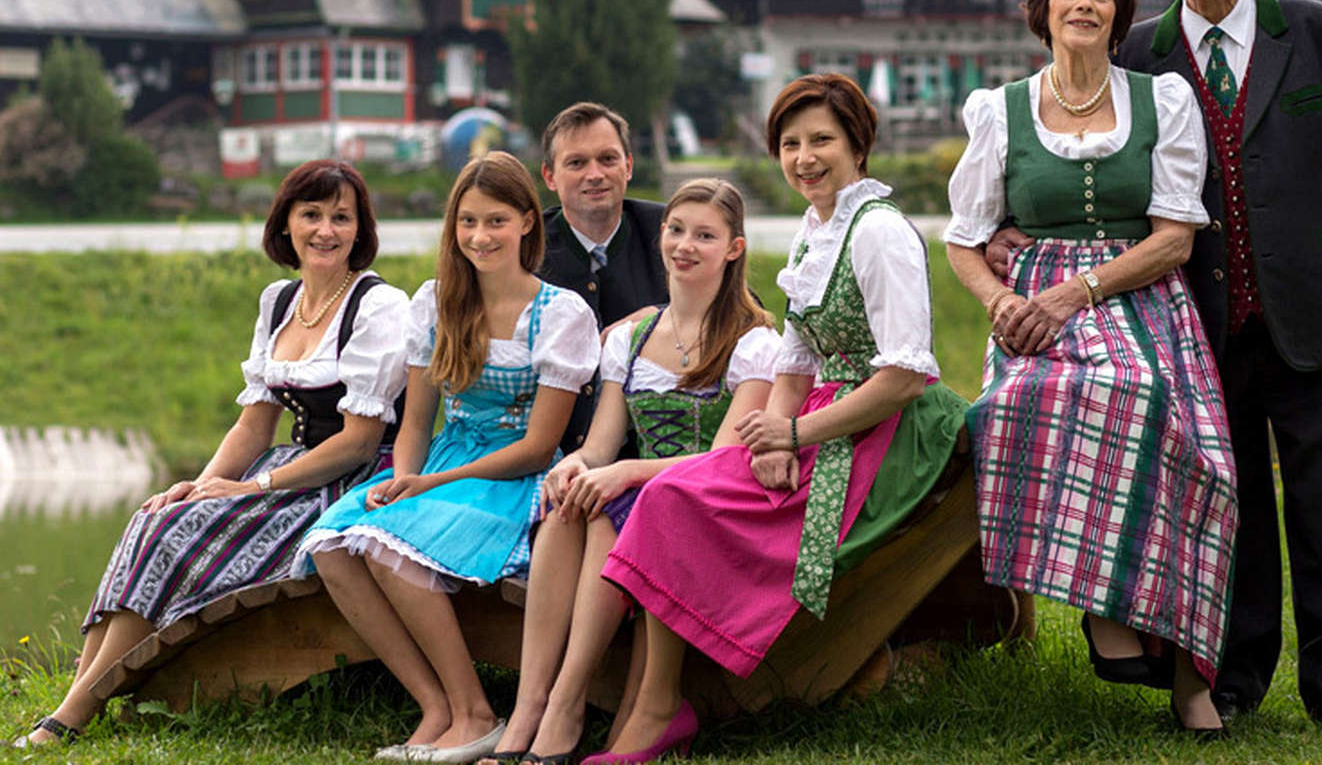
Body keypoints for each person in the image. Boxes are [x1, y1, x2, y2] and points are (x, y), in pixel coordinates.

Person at [585, 73, 966, 765]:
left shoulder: (879, 232)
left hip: (888, 428)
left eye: (821, 139)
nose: (804, 157)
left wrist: (797, 432)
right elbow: (795, 357)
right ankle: (655, 700)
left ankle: (661, 704)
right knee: (676, 493)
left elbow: (906, 376)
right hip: (823, 414)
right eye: (789, 143)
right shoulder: (818, 228)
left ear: (858, 142)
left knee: (675, 495)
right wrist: (775, 435)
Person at [1113, 0, 1322, 728]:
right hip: (1199, 328)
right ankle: (1233, 676)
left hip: (1316, 311)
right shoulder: (1137, 55)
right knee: (1226, 509)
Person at [946, 0, 1238, 736]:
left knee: (1172, 428)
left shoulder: (1162, 101)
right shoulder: (999, 111)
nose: (1084, 5)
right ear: (1043, 12)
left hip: (1140, 297)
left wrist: (1081, 290)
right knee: (1021, 404)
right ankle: (1103, 606)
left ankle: (1186, 674)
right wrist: (997, 303)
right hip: (1034, 306)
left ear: (1118, 17)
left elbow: (1176, 235)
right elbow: (964, 241)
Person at [14, 160, 410, 748]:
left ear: (361, 229)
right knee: (158, 514)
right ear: (287, 224)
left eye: (341, 217)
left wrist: (252, 490)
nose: (326, 230)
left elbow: (355, 441)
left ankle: (73, 714)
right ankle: (85, 689)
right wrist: (200, 484)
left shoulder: (379, 307)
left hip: (348, 482)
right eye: (311, 215)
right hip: (285, 470)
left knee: (182, 534)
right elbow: (254, 424)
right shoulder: (280, 301)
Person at [294, 152, 600, 764]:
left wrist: (435, 481)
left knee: (386, 546)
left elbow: (539, 446)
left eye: (495, 222)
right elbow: (416, 419)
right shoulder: (437, 303)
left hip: (509, 474)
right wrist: (406, 475)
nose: (479, 237)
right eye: (467, 223)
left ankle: (476, 712)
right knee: (333, 546)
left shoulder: (560, 314)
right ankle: (436, 704)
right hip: (442, 459)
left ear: (525, 226)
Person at [486, 179, 781, 764]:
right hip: (649, 492)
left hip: (712, 501)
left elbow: (723, 460)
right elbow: (600, 444)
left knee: (607, 516)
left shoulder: (753, 341)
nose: (685, 245)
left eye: (705, 235)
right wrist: (574, 465)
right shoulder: (632, 338)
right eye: (676, 230)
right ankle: (529, 706)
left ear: (734, 249)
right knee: (568, 504)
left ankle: (565, 708)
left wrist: (623, 473)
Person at [537, 103, 669, 452]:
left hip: (651, 454)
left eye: (607, 159)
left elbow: (744, 309)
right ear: (550, 176)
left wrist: (661, 317)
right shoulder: (525, 246)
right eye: (577, 163)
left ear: (628, 166)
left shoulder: (671, 230)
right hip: (547, 453)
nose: (594, 174)